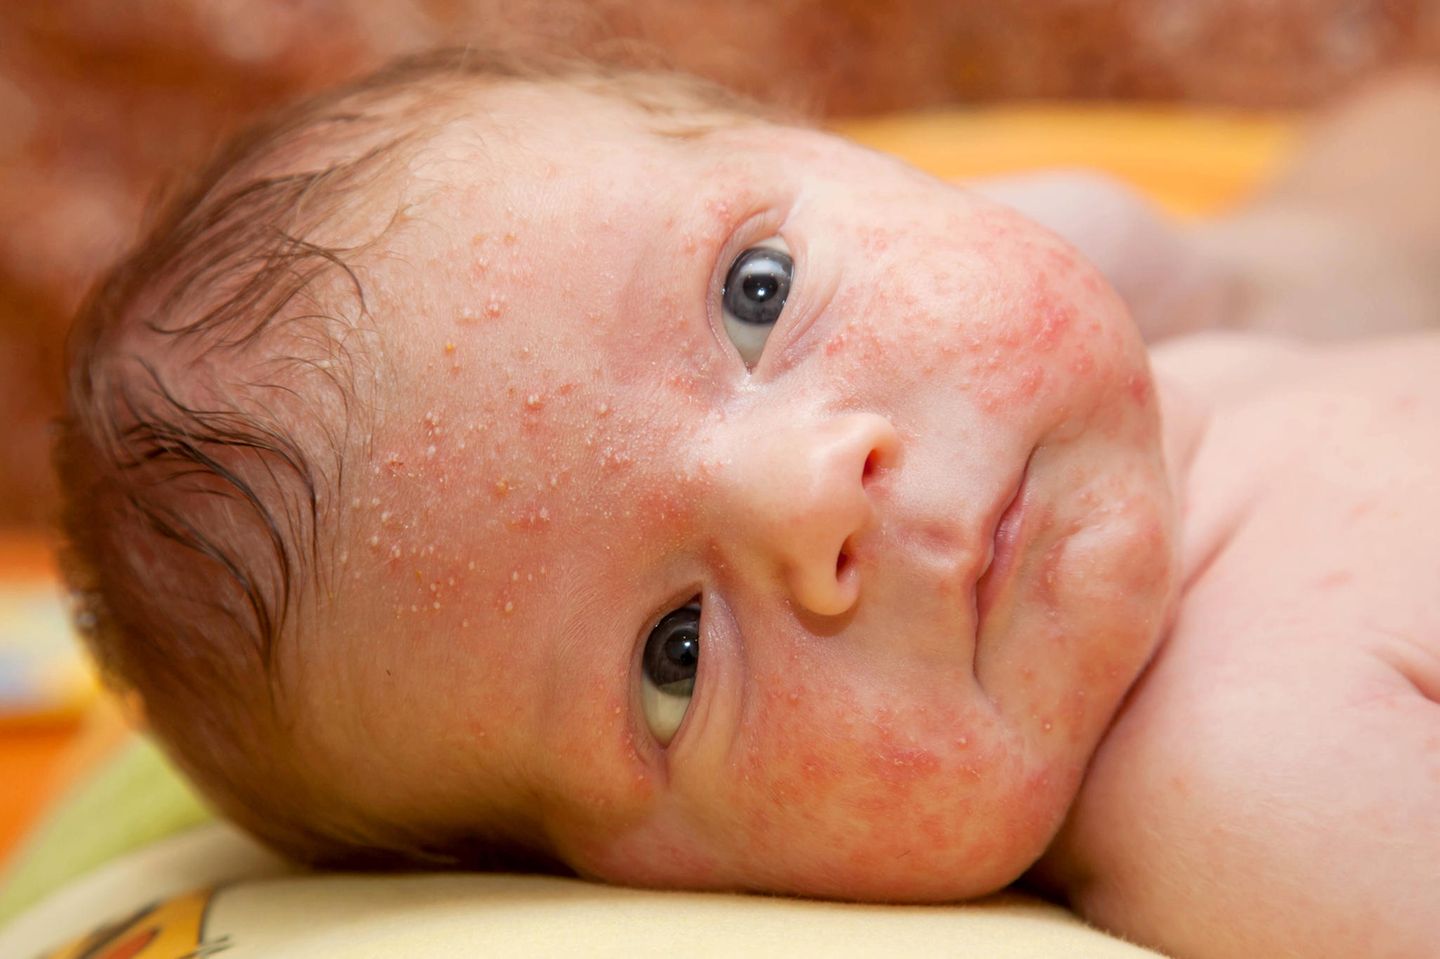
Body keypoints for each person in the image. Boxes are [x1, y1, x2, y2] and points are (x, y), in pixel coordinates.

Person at [55, 48, 1440, 958]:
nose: (813, 495)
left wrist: (1231, 263)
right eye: (678, 657)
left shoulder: (1152, 315)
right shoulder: (1257, 787)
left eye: (756, 295)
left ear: (848, 158)